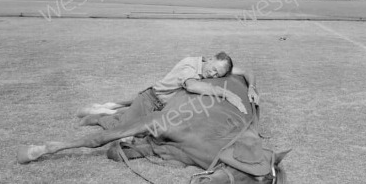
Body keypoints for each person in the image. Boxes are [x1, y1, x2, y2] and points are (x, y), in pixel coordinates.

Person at [79, 52, 259, 130]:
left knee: (145, 130)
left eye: (217, 74)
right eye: (213, 69)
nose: (212, 74)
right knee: (123, 130)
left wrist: (251, 87)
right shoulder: (191, 64)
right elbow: (192, 86)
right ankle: (98, 116)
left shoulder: (212, 68)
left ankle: (111, 110)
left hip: (165, 107)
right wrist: (226, 93)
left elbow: (248, 71)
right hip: (151, 99)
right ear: (210, 59)